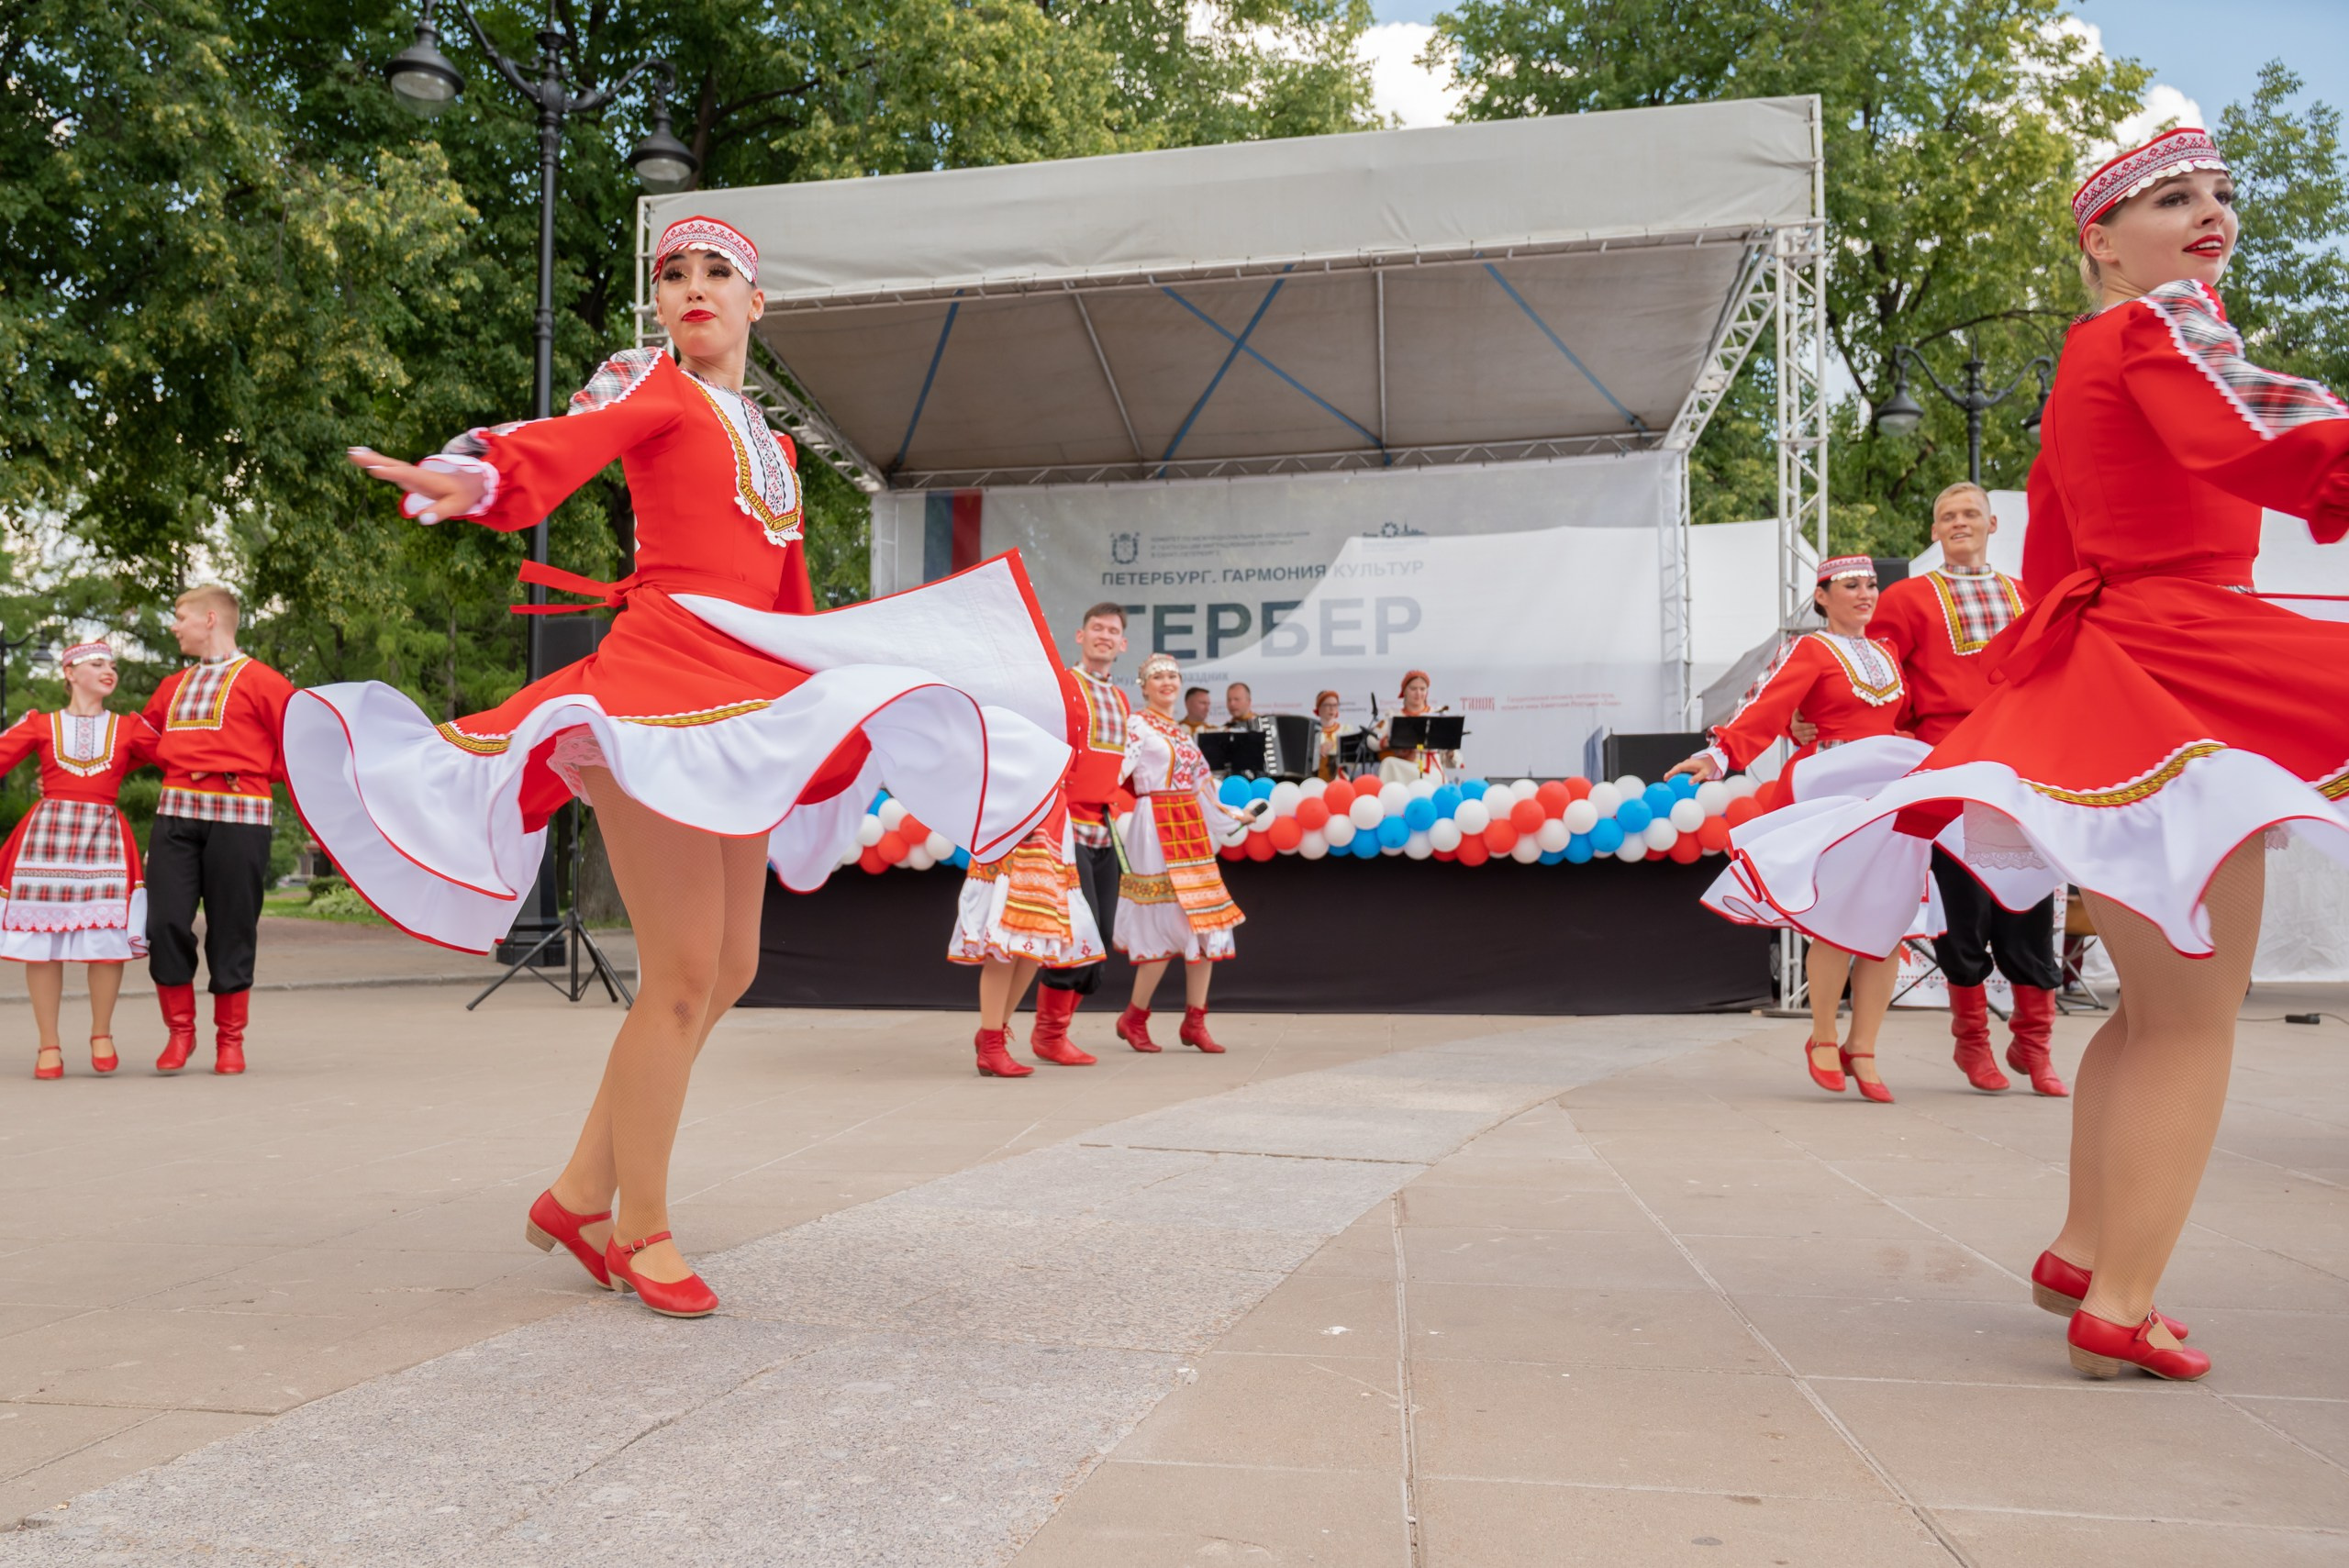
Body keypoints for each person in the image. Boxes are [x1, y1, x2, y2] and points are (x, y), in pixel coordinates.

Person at [318, 215, 1074, 1320]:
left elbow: (790, 600)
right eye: (672, 274)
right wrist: (470, 478)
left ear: (756, 303)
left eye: (718, 272)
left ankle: (580, 1190)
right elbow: (562, 447)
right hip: (655, 694)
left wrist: (819, 711)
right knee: (678, 976)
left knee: (729, 968)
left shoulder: (768, 443)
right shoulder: (662, 394)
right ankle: (641, 1228)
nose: (693, 288)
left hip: (741, 698)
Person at [1715, 128, 2349, 1382]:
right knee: (2191, 1018)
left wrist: (2044, 683)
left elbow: (2057, 540)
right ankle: (2123, 1299)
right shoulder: (2160, 328)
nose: (2209, 213)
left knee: (2162, 1009)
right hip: (2176, 666)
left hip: (2123, 661)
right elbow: (2261, 436)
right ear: (2101, 240)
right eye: (2173, 198)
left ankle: (2084, 1249)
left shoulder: (2093, 352)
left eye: (2219, 195)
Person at [1669, 558, 1909, 1104]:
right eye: (1852, 586)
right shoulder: (1811, 650)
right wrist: (1719, 753)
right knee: (1837, 914)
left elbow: (1900, 721)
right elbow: (1767, 701)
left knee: (1890, 916)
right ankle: (1824, 1033)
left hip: (1889, 789)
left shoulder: (1889, 654)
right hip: (1835, 785)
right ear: (1822, 597)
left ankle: (1864, 1046)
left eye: (1871, 585)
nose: (1866, 594)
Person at [1869, 483, 2065, 1095]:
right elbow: (1878, 678)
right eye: (1947, 514)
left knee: (2029, 900)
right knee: (1965, 907)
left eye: (1970, 513)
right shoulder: (1906, 599)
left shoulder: (2031, 596)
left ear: (1993, 523)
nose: (1959, 522)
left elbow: (2061, 668)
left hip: (2016, 766)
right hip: (1949, 764)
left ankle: (2035, 1044)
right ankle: (1972, 1042)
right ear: (1934, 530)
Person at [143, 585, 295, 1077]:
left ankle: (230, 1041)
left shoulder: (264, 681)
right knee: (163, 921)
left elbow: (301, 743)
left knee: (232, 926)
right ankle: (179, 1032)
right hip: (176, 810)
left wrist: (253, 772)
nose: (174, 626)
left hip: (240, 814)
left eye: (180, 617)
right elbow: (138, 742)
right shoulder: (172, 686)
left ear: (210, 619)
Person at [2, 643, 159, 1079]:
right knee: (41, 942)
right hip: (48, 834)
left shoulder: (129, 728)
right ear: (69, 672)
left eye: (112, 665)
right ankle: (47, 1044)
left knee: (106, 937)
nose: (109, 671)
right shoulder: (40, 725)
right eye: (97, 664)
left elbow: (176, 757)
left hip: (103, 835)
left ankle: (101, 1033)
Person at [1114, 653, 1263, 1054]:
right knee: (1162, 922)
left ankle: (1195, 1021)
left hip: (1190, 829)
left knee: (1207, 921)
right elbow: (1112, 775)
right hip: (1155, 827)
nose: (1166, 682)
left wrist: (1235, 815)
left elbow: (1202, 788)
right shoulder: (1136, 726)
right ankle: (1135, 1017)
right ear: (1143, 686)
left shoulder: (1182, 734)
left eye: (1172, 676)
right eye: (1156, 676)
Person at [1028, 602, 1134, 1067]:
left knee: (1102, 936)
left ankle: (1054, 1031)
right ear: (1080, 635)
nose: (1105, 636)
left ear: (1123, 644)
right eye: (1098, 628)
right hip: (1065, 824)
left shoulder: (1123, 698)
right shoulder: (1062, 686)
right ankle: (1048, 1035)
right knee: (1078, 935)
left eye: (1113, 631)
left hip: (1104, 830)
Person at [949, 793, 1105, 1078]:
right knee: (1006, 941)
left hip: (1051, 822)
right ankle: (992, 1043)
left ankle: (992, 1035)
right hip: (1013, 820)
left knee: (1034, 941)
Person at [1375, 670, 1454, 784]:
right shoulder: (1395, 716)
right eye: (1413, 689)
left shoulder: (1436, 714)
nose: (1418, 693)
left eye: (1422, 689)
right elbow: (1371, 740)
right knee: (1388, 763)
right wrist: (1389, 742)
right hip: (1405, 767)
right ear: (1404, 691)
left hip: (1431, 770)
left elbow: (1453, 759)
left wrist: (1451, 752)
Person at [1312, 689, 1353, 782]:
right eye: (1327, 705)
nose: (1332, 708)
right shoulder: (1312, 731)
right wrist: (1318, 751)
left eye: (1335, 705)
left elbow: (1353, 762)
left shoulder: (1345, 730)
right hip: (1316, 778)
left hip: (1340, 779)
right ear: (1319, 707)